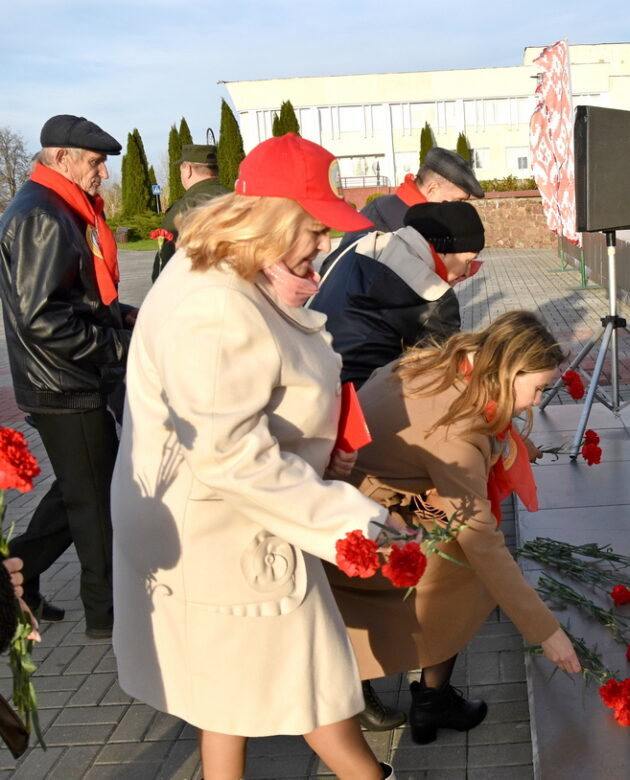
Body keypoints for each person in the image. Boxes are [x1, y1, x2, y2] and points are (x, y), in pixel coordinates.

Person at [111, 133, 395, 779]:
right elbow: (230, 453)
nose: (324, 243)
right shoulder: (216, 307)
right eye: (315, 227)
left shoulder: (216, 274)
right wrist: (356, 524)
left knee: (231, 695)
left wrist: (314, 452)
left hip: (224, 527)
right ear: (270, 220)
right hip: (228, 535)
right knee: (311, 683)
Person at [327, 310, 582, 745]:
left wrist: (514, 448)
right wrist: (546, 631)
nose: (539, 401)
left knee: (464, 548)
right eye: (538, 388)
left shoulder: (435, 363)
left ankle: (392, 688)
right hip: (367, 526)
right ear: (508, 370)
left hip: (360, 500)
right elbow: (480, 538)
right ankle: (431, 699)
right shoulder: (458, 433)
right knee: (466, 568)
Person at [0, 114, 135, 638]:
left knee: (78, 489)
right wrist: (124, 346)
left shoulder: (59, 206)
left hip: (70, 378)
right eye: (96, 162)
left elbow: (76, 295)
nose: (102, 172)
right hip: (64, 384)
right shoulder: (42, 213)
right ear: (61, 158)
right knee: (95, 503)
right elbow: (44, 319)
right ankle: (108, 619)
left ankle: (19, 578)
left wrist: (123, 315)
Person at [310, 200, 485, 389]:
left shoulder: (358, 244)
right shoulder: (435, 297)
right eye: (469, 261)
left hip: (309, 371)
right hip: (356, 400)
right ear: (445, 252)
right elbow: (449, 369)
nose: (468, 273)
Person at [325, 147, 484, 266]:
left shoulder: (384, 205)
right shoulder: (406, 229)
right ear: (432, 188)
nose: (459, 209)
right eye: (457, 201)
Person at [151, 144, 229, 281]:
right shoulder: (236, 200)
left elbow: (165, 263)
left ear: (188, 169)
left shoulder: (184, 208)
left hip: (196, 291)